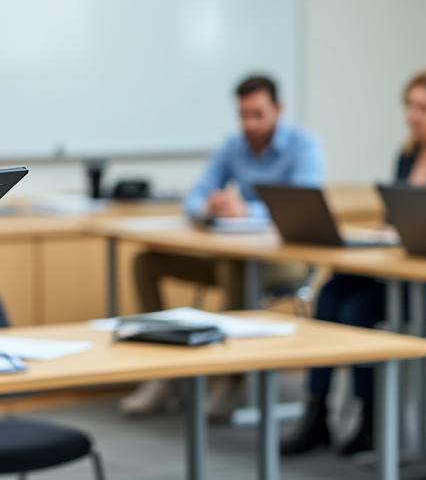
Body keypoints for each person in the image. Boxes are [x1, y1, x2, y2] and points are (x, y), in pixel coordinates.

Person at [283, 67, 426, 457]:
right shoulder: (408, 154)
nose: (412, 116)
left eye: (423, 108)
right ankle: (317, 412)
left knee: (357, 308)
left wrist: (403, 233)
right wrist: (385, 234)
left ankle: (371, 419)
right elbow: (395, 218)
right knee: (331, 294)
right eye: (409, 107)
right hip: (404, 272)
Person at [120, 74, 325, 418]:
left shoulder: (304, 148)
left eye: (258, 114)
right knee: (147, 263)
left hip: (287, 262)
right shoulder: (234, 146)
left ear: (279, 109)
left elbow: (304, 207)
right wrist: (210, 206)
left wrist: (250, 210)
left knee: (235, 268)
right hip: (231, 256)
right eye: (243, 114)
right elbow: (195, 196)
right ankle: (162, 373)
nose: (250, 123)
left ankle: (231, 379)